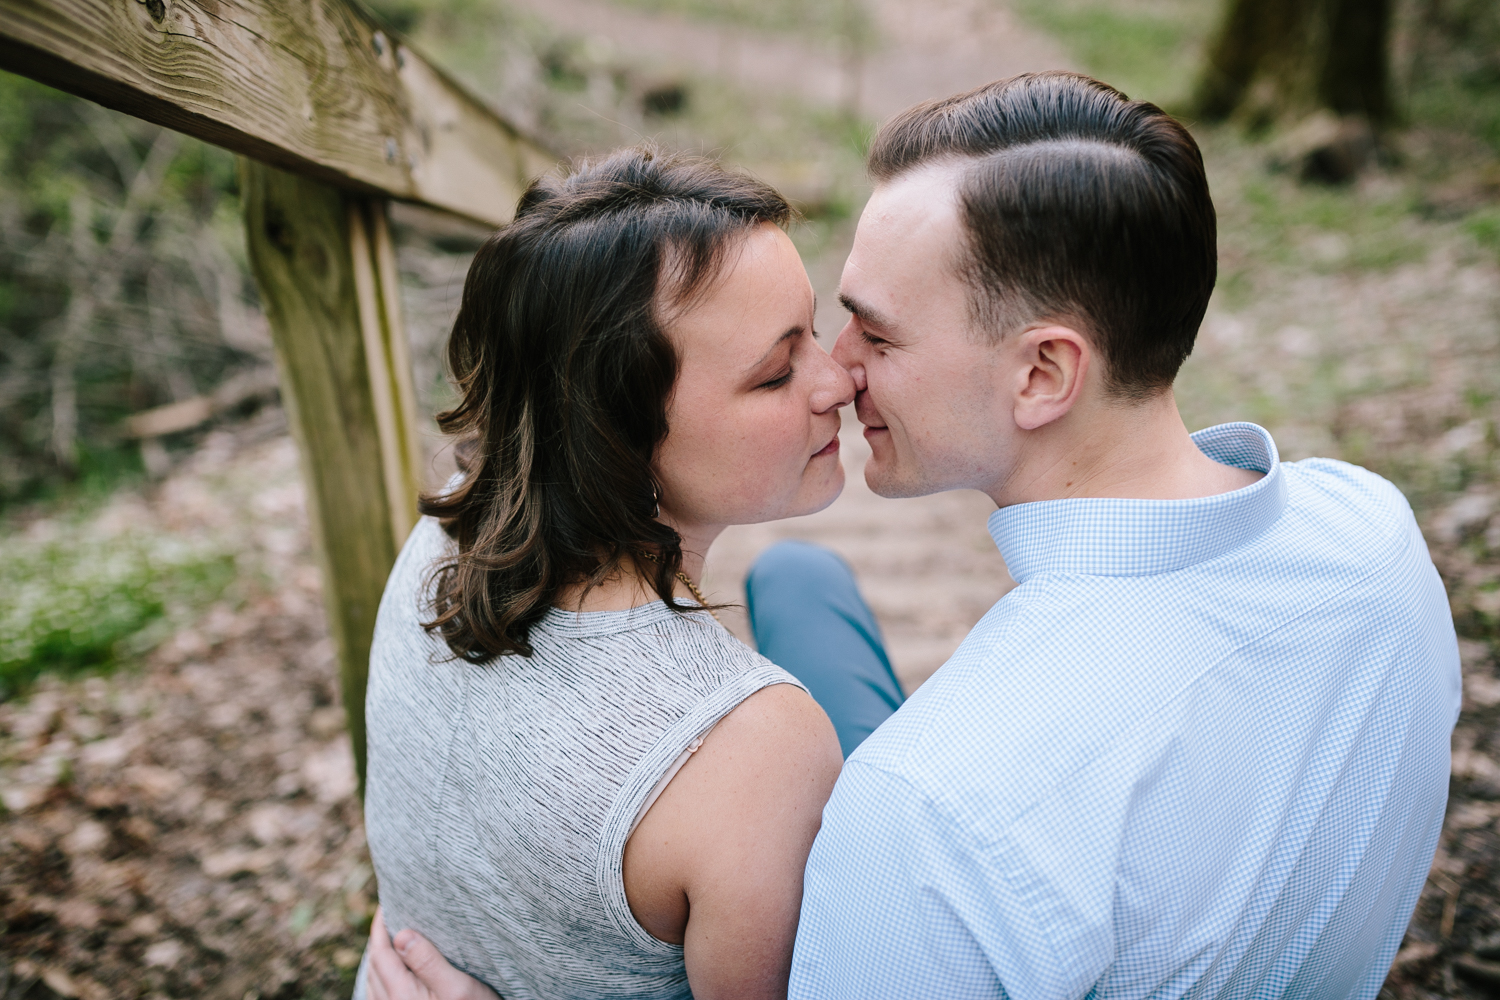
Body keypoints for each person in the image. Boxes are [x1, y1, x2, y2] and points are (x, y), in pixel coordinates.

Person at [370, 72, 1461, 1000]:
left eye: (873, 333)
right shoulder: (1370, 524)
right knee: (800, 580)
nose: (840, 372)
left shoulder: (928, 818)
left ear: (1043, 372)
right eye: (794, 349)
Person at [356, 147, 905, 1000]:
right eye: (775, 372)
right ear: (619, 439)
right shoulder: (759, 753)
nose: (837, 381)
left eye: (812, 330)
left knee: (801, 577)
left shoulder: (454, 523)